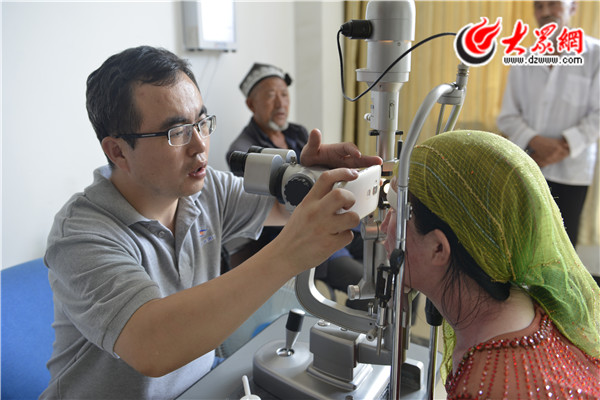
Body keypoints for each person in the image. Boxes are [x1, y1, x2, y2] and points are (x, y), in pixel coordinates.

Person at [40, 46, 381, 399]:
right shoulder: (80, 233)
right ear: (118, 151)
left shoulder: (205, 189)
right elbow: (153, 345)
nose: (200, 146)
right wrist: (289, 253)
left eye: (202, 123)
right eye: (177, 132)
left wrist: (312, 178)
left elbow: (283, 207)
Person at [381, 130, 600, 399]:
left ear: (438, 248)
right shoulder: (531, 311)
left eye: (395, 211)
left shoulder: (483, 388)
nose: (383, 226)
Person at [225, 63, 364, 301]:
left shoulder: (297, 133)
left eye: (284, 95)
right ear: (251, 104)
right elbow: (273, 209)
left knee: (393, 264)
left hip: (336, 220)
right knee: (369, 287)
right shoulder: (245, 151)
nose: (281, 104)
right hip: (301, 234)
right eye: (271, 96)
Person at [497, 0, 600, 249]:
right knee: (522, 245)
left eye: (553, 4)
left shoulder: (595, 55)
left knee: (563, 249)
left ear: (572, 7)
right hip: (528, 168)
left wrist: (562, 147)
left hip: (571, 173)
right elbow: (508, 116)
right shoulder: (523, 59)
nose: (544, 12)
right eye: (538, 6)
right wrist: (538, 143)